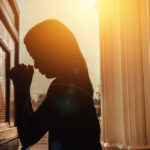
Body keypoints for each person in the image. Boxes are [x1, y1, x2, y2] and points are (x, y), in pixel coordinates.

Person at [10, 20, 102, 150]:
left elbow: (28, 137)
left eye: (36, 56)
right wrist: (24, 88)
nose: (35, 65)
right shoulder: (77, 83)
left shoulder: (62, 89)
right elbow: (32, 125)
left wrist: (21, 87)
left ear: (52, 52)